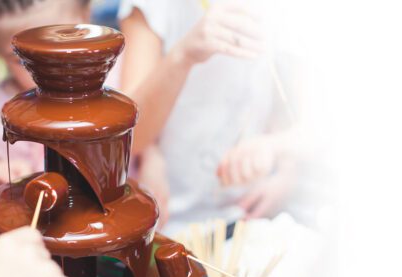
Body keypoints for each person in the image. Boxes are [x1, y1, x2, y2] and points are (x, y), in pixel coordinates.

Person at [118, 0, 298, 235]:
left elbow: (293, 106)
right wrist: (183, 55)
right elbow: (126, 133)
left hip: (248, 219)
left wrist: (288, 172)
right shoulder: (153, 7)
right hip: (168, 226)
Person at [0, 0, 114, 189]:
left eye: (61, 46)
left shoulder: (113, 81)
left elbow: (138, 137)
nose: (51, 70)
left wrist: (151, 158)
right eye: (23, 61)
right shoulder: (2, 113)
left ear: (85, 18)